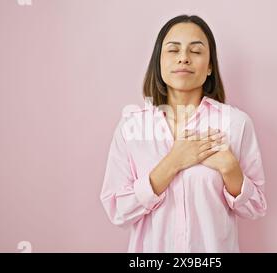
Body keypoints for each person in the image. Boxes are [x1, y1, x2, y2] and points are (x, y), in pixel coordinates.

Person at [100, 14, 267, 252]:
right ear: (159, 61)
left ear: (209, 66)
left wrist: (231, 170)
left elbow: (255, 207)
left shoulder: (236, 123)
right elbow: (118, 211)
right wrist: (173, 162)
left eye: (196, 51)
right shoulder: (131, 128)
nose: (184, 59)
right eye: (173, 50)